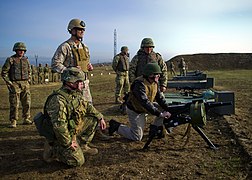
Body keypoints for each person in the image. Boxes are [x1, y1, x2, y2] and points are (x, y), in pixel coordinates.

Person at [36, 67, 106, 167]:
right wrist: (68, 143)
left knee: (93, 119)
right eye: (79, 82)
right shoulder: (58, 100)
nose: (82, 84)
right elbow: (59, 127)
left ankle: (82, 146)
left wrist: (100, 117)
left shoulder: (75, 93)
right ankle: (53, 150)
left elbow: (87, 106)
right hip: (59, 136)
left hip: (71, 129)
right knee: (77, 161)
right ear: (70, 82)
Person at [108, 62, 171, 141]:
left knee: (164, 109)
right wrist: (160, 114)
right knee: (137, 137)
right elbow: (144, 101)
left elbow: (159, 98)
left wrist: (168, 108)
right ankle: (116, 126)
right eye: (153, 77)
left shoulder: (155, 82)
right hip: (136, 110)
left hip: (146, 107)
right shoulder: (139, 84)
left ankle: (155, 128)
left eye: (158, 76)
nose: (156, 79)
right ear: (147, 75)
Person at [51, 18, 93, 103]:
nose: (82, 32)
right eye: (79, 29)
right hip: (71, 87)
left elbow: (86, 62)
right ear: (72, 31)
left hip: (85, 86)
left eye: (83, 30)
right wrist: (69, 70)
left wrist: (89, 66)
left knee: (88, 110)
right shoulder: (65, 47)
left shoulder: (85, 48)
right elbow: (55, 64)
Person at [1, 42, 33, 128]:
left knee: (27, 102)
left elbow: (29, 71)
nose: (21, 52)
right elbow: (4, 73)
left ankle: (26, 118)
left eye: (23, 50)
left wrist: (29, 80)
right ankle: (13, 120)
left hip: (25, 84)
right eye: (19, 50)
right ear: (16, 50)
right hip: (15, 84)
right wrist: (9, 83)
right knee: (14, 104)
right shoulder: (10, 60)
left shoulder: (26, 60)